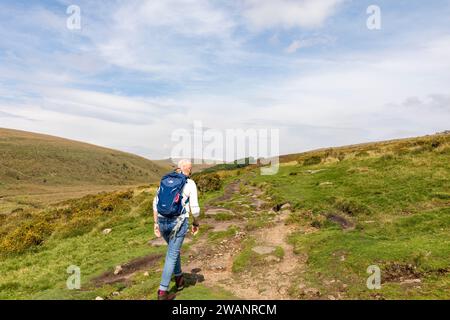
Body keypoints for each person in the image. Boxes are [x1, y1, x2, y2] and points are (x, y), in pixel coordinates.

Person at [153, 159, 200, 300]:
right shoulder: (189, 183)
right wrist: (196, 223)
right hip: (178, 222)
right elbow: (195, 209)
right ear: (189, 169)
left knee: (174, 250)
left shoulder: (165, 180)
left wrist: (156, 224)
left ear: (178, 168)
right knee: (172, 254)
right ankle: (162, 292)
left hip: (162, 221)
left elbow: (155, 203)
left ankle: (179, 280)